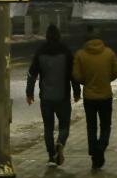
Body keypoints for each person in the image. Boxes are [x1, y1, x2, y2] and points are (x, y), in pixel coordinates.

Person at [26, 24, 82, 166]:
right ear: (58, 35)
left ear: (47, 36)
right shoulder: (65, 51)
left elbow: (32, 74)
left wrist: (29, 93)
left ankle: (51, 156)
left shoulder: (40, 51)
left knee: (48, 128)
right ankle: (60, 142)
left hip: (46, 97)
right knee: (64, 126)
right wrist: (77, 92)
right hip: (63, 96)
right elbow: (73, 74)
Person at [72, 27, 117, 170]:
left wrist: (86, 82)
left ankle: (94, 154)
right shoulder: (108, 52)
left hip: (89, 97)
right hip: (105, 95)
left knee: (91, 126)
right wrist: (107, 79)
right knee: (105, 125)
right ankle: (101, 147)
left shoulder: (80, 54)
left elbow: (76, 75)